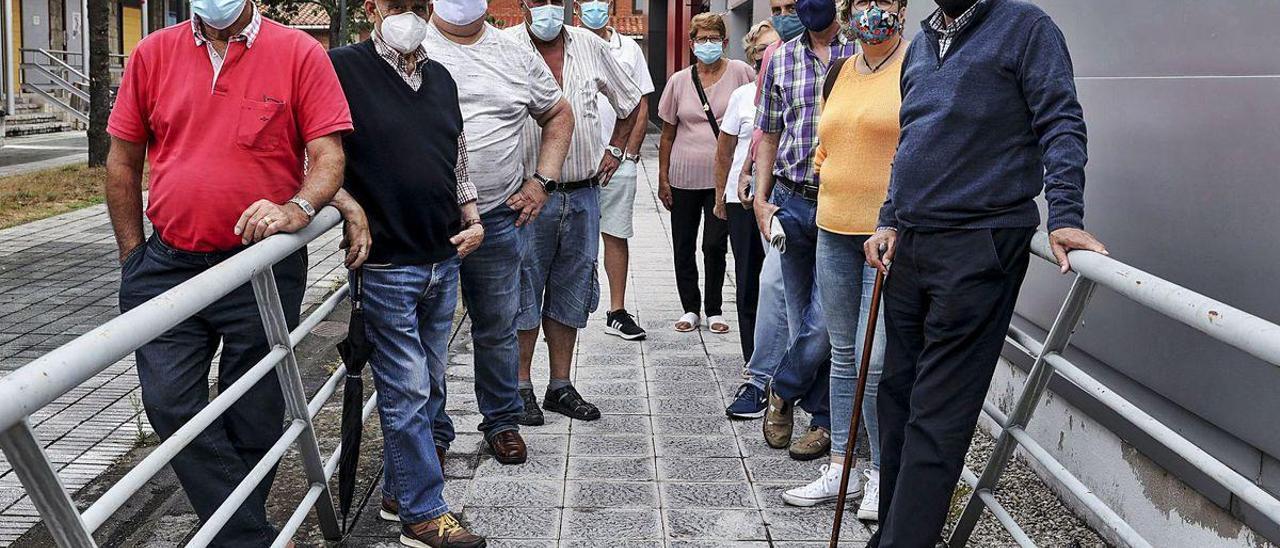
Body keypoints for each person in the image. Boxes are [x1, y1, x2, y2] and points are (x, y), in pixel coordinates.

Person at [104, 0, 354, 544]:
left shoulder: (299, 52)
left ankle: (230, 531)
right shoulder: (153, 53)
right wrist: (132, 257)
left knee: (256, 410)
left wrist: (299, 209)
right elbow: (122, 160)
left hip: (261, 267)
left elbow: (329, 156)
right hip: (168, 264)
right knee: (169, 402)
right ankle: (246, 536)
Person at [863, 0, 1106, 545]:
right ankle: (892, 534)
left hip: (979, 244)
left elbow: (1061, 121)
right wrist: (887, 219)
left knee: (936, 413)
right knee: (896, 396)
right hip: (911, 242)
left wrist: (1065, 217)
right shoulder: (923, 40)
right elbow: (911, 140)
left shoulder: (1027, 28)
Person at [326, 0, 488, 545]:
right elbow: (309, 155)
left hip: (443, 258)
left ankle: (400, 492)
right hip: (387, 265)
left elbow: (456, 156)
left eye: (420, 5)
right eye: (398, 4)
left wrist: (472, 215)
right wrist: (347, 207)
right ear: (373, 8)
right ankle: (423, 513)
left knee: (432, 383)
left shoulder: (439, 76)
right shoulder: (341, 68)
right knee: (407, 389)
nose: (410, 14)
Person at [423, 0, 575, 466]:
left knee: (498, 328)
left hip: (497, 217)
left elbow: (559, 113)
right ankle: (432, 431)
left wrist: (542, 182)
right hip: (426, 223)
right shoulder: (410, 45)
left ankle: (502, 421)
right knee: (428, 334)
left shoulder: (513, 52)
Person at [781, 0, 907, 516]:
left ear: (901, 8)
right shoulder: (842, 66)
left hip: (885, 234)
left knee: (873, 361)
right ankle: (841, 467)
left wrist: (896, 216)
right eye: (861, 2)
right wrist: (824, 165)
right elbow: (828, 138)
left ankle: (880, 472)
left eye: (885, 1)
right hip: (832, 227)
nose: (872, 11)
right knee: (841, 351)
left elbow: (918, 142)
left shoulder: (914, 65)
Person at [505, 0, 642, 425]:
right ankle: (520, 386)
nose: (547, 8)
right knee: (524, 290)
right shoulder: (504, 46)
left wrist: (616, 150)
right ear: (524, 5)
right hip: (526, 196)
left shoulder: (588, 44)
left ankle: (560, 385)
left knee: (571, 289)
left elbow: (631, 101)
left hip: (583, 193)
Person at [753, 0, 855, 462]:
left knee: (829, 323)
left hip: (843, 203)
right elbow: (769, 133)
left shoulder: (859, 52)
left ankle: (784, 384)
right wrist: (760, 197)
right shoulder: (782, 57)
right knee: (801, 317)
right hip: (792, 201)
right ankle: (822, 419)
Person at [657, 12, 756, 334]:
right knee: (683, 243)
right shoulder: (678, 81)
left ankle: (714, 308)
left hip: (723, 180)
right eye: (702, 39)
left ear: (725, 42)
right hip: (683, 176)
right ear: (691, 43)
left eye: (714, 38)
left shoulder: (741, 73)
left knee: (714, 244)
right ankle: (690, 307)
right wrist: (663, 178)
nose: (708, 44)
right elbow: (667, 134)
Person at [577, 0, 656, 342]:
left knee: (615, 234)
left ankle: (617, 311)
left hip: (617, 158)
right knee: (571, 238)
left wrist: (628, 153)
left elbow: (640, 103)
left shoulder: (629, 49)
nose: (595, 7)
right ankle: (567, 308)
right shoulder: (569, 42)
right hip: (574, 161)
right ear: (577, 7)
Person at [711, 20, 777, 368]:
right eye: (763, 50)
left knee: (780, 285)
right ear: (754, 57)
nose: (769, 55)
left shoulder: (795, 87)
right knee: (750, 280)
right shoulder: (741, 97)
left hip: (783, 199)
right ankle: (754, 360)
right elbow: (724, 153)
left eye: (774, 47)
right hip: (744, 201)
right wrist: (720, 197)